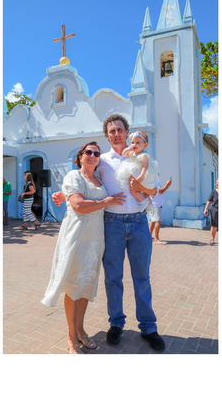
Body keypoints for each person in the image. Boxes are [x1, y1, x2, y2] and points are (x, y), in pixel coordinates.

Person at [54, 114, 165, 350]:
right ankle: (116, 324)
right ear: (107, 135)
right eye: (112, 131)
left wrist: (140, 187)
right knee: (113, 279)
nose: (116, 134)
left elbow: (156, 190)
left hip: (138, 222)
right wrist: (62, 194)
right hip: (111, 224)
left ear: (127, 132)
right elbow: (85, 178)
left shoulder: (142, 157)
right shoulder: (101, 159)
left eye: (120, 130)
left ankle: (148, 327)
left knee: (141, 277)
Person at [41, 141, 127, 353]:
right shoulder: (73, 175)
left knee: (86, 285)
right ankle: (71, 338)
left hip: (95, 238)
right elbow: (78, 204)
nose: (92, 155)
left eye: (96, 153)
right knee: (73, 286)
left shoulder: (99, 180)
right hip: (77, 236)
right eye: (88, 152)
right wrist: (107, 201)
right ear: (80, 156)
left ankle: (80, 330)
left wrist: (62, 195)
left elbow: (72, 196)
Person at [115, 131, 156, 202]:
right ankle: (148, 202)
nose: (134, 145)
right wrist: (128, 149)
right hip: (133, 174)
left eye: (138, 143)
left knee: (134, 191)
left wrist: (142, 176)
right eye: (132, 142)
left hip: (140, 176)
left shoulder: (144, 155)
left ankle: (144, 201)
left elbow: (145, 166)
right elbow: (124, 154)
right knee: (133, 190)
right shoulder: (132, 153)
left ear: (145, 145)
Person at [149, 178, 173, 244]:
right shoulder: (155, 182)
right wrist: (167, 185)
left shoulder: (152, 182)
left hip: (154, 205)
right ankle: (156, 239)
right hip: (156, 205)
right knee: (158, 221)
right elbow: (161, 191)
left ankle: (149, 236)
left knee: (153, 221)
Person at [203, 179, 219, 246]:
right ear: (216, 184)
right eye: (217, 183)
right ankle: (212, 238)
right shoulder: (213, 192)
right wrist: (206, 208)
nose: (218, 184)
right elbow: (209, 201)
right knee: (214, 225)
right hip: (215, 209)